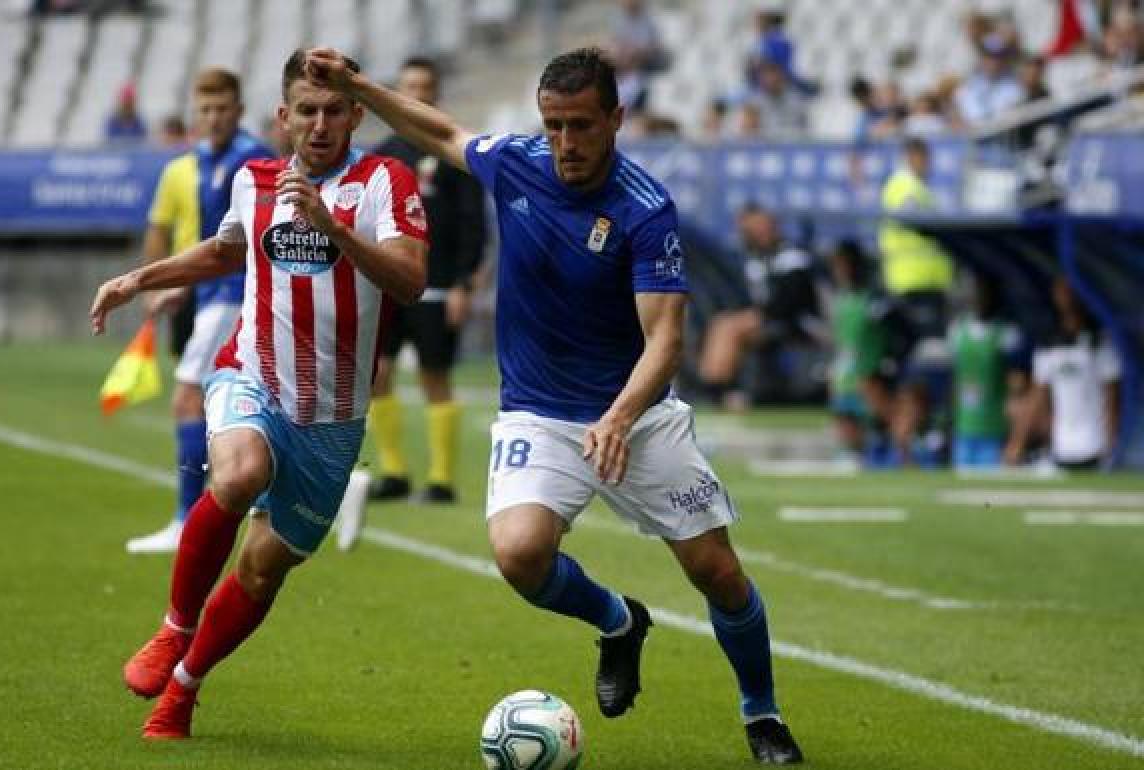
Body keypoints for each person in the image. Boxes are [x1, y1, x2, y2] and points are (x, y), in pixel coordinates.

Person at [306, 45, 804, 764]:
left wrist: (619, 417)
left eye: (580, 126)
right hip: (539, 414)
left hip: (635, 413)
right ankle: (618, 622)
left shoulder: (644, 210)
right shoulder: (518, 163)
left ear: (616, 119)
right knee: (518, 554)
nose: (565, 144)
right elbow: (443, 134)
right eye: (553, 126)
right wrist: (356, 86)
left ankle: (762, 715)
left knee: (716, 572)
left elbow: (664, 342)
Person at [90, 50, 427, 739]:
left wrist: (333, 229)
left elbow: (410, 280)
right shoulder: (256, 178)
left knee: (262, 568)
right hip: (254, 374)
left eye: (336, 110)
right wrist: (138, 280)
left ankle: (184, 687)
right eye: (308, 110)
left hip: (333, 418)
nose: (322, 123)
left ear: (357, 114)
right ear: (284, 117)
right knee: (240, 471)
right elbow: (226, 251)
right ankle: (171, 629)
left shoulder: (384, 181)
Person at [125, 69, 275, 555]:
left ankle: (187, 520)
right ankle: (260, 501)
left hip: (230, 295)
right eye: (205, 109)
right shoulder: (200, 163)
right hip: (211, 295)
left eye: (221, 108)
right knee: (230, 402)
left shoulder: (250, 159)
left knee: (190, 398)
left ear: (238, 109)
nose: (213, 117)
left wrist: (178, 283)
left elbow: (236, 246)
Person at [367, 56, 487, 505]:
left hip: (438, 285)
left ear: (436, 93)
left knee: (436, 374)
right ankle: (394, 470)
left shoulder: (455, 152)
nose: (417, 94)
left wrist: (463, 283)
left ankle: (441, 480)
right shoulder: (383, 154)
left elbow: (474, 223)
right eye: (409, 86)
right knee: (379, 371)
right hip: (389, 282)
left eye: (425, 86)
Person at [698, 204, 822, 409]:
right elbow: (749, 299)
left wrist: (755, 316)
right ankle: (717, 389)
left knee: (729, 327)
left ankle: (720, 391)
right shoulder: (754, 260)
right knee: (722, 323)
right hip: (766, 320)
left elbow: (791, 303)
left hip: (798, 322)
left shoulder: (791, 257)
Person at [878, 137, 955, 465]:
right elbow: (918, 222)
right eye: (923, 156)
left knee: (920, 372)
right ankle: (904, 442)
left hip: (922, 289)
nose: (928, 163)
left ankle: (909, 440)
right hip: (913, 289)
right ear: (911, 156)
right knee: (919, 374)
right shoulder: (904, 185)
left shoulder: (918, 188)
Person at [1011, 278, 1120, 469]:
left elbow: (1112, 399)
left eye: (1070, 291)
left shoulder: (1099, 343)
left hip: (1095, 447)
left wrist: (1111, 445)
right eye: (1061, 291)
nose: (1066, 297)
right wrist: (1017, 443)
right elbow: (1037, 398)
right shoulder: (1048, 345)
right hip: (1062, 447)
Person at [948, 272, 1030, 469]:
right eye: (976, 292)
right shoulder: (957, 331)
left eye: (985, 293)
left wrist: (1016, 434)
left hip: (994, 428)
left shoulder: (1008, 334)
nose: (979, 298)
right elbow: (955, 378)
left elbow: (1018, 383)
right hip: (964, 427)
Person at [827, 240, 887, 455]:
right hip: (843, 378)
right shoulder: (839, 301)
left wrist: (871, 373)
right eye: (837, 265)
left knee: (864, 433)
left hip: (865, 378)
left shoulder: (872, 301)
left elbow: (880, 342)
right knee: (844, 430)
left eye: (844, 264)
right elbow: (838, 342)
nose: (840, 271)